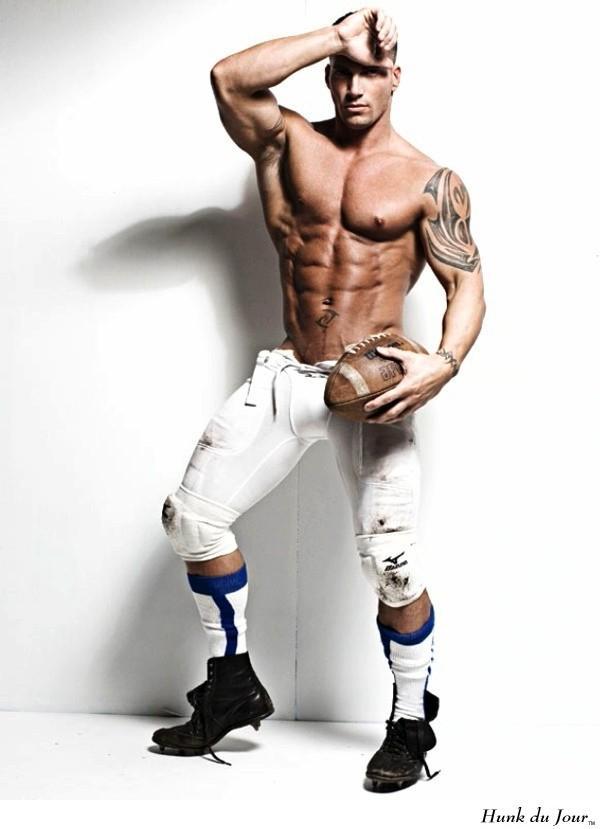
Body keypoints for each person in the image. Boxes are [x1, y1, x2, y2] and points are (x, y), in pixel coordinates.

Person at [152, 7, 486, 789]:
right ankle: (232, 684)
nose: (354, 86)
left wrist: (444, 362)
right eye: (343, 72)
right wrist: (339, 35)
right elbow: (229, 78)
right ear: (328, 74)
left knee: (393, 565)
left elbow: (467, 284)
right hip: (288, 373)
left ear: (396, 78)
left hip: (374, 387)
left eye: (371, 72)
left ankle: (410, 720)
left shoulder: (430, 180)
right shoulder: (289, 143)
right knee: (191, 517)